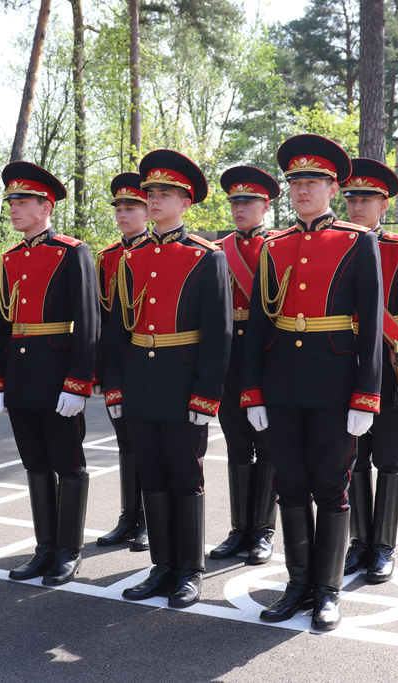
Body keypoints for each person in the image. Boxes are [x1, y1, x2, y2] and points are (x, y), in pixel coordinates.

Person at [242, 134, 382, 631]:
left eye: (313, 182)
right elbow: (259, 322)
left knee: (331, 488)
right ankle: (298, 584)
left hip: (334, 383)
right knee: (290, 485)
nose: (302, 190)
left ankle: (327, 591)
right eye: (296, 182)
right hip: (282, 383)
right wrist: (252, 391)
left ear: (332, 188)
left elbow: (371, 323)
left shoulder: (357, 241)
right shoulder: (273, 246)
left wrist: (366, 395)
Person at [104, 149, 232, 609]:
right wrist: (115, 385)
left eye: (165, 193)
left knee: (184, 476)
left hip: (182, 382)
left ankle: (189, 570)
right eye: (151, 193)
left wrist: (206, 395)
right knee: (151, 476)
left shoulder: (205, 257)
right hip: (141, 379)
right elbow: (118, 331)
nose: (154, 200)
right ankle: (162, 566)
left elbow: (218, 335)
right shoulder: (130, 258)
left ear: (185, 202)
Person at [0, 162, 99, 586]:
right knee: (35, 464)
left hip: (57, 377)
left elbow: (88, 322)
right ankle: (45, 549)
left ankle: (68, 551)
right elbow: (3, 325)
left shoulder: (72, 252)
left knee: (67, 465)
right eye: (11, 201)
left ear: (46, 206)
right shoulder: (10, 258)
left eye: (22, 201)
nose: (14, 208)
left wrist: (77, 383)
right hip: (21, 376)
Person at [342, 158, 398, 584]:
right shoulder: (336, 244)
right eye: (352, 199)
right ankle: (359, 542)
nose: (357, 207)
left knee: (388, 459)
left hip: (389, 367)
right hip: (344, 365)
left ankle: (383, 547)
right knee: (353, 458)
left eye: (367, 200)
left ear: (383, 205)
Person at [209, 165, 281, 566]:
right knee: (237, 444)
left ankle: (263, 531)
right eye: (235, 202)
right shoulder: (217, 250)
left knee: (267, 446)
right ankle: (239, 529)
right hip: (229, 356)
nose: (239, 209)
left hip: (268, 355)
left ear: (265, 206)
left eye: (248, 202)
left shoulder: (279, 246)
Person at [94, 172, 151, 552]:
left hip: (152, 359)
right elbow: (102, 320)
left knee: (149, 444)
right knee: (126, 443)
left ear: (148, 212)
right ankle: (128, 516)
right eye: (119, 208)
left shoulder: (157, 252)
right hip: (119, 364)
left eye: (131, 208)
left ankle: (148, 518)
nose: (123, 215)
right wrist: (100, 372)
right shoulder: (108, 257)